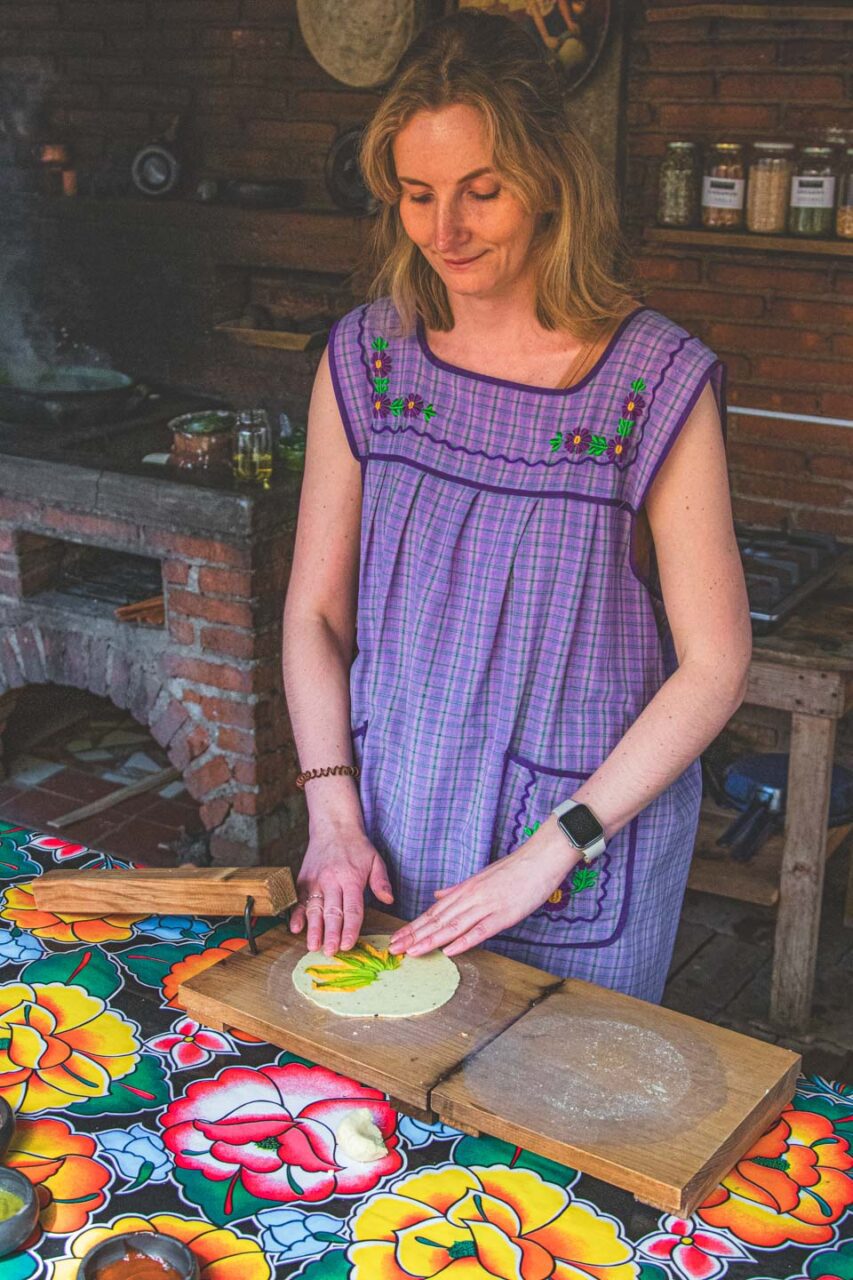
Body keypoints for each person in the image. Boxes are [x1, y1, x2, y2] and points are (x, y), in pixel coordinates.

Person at [282, 12, 751, 1003]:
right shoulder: (367, 360)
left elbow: (715, 665)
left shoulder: (649, 380)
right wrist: (332, 811)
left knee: (557, 1137)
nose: (444, 229)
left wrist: (556, 847)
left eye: (480, 192)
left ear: (549, 182)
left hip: (582, 856)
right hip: (394, 832)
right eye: (417, 195)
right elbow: (316, 616)